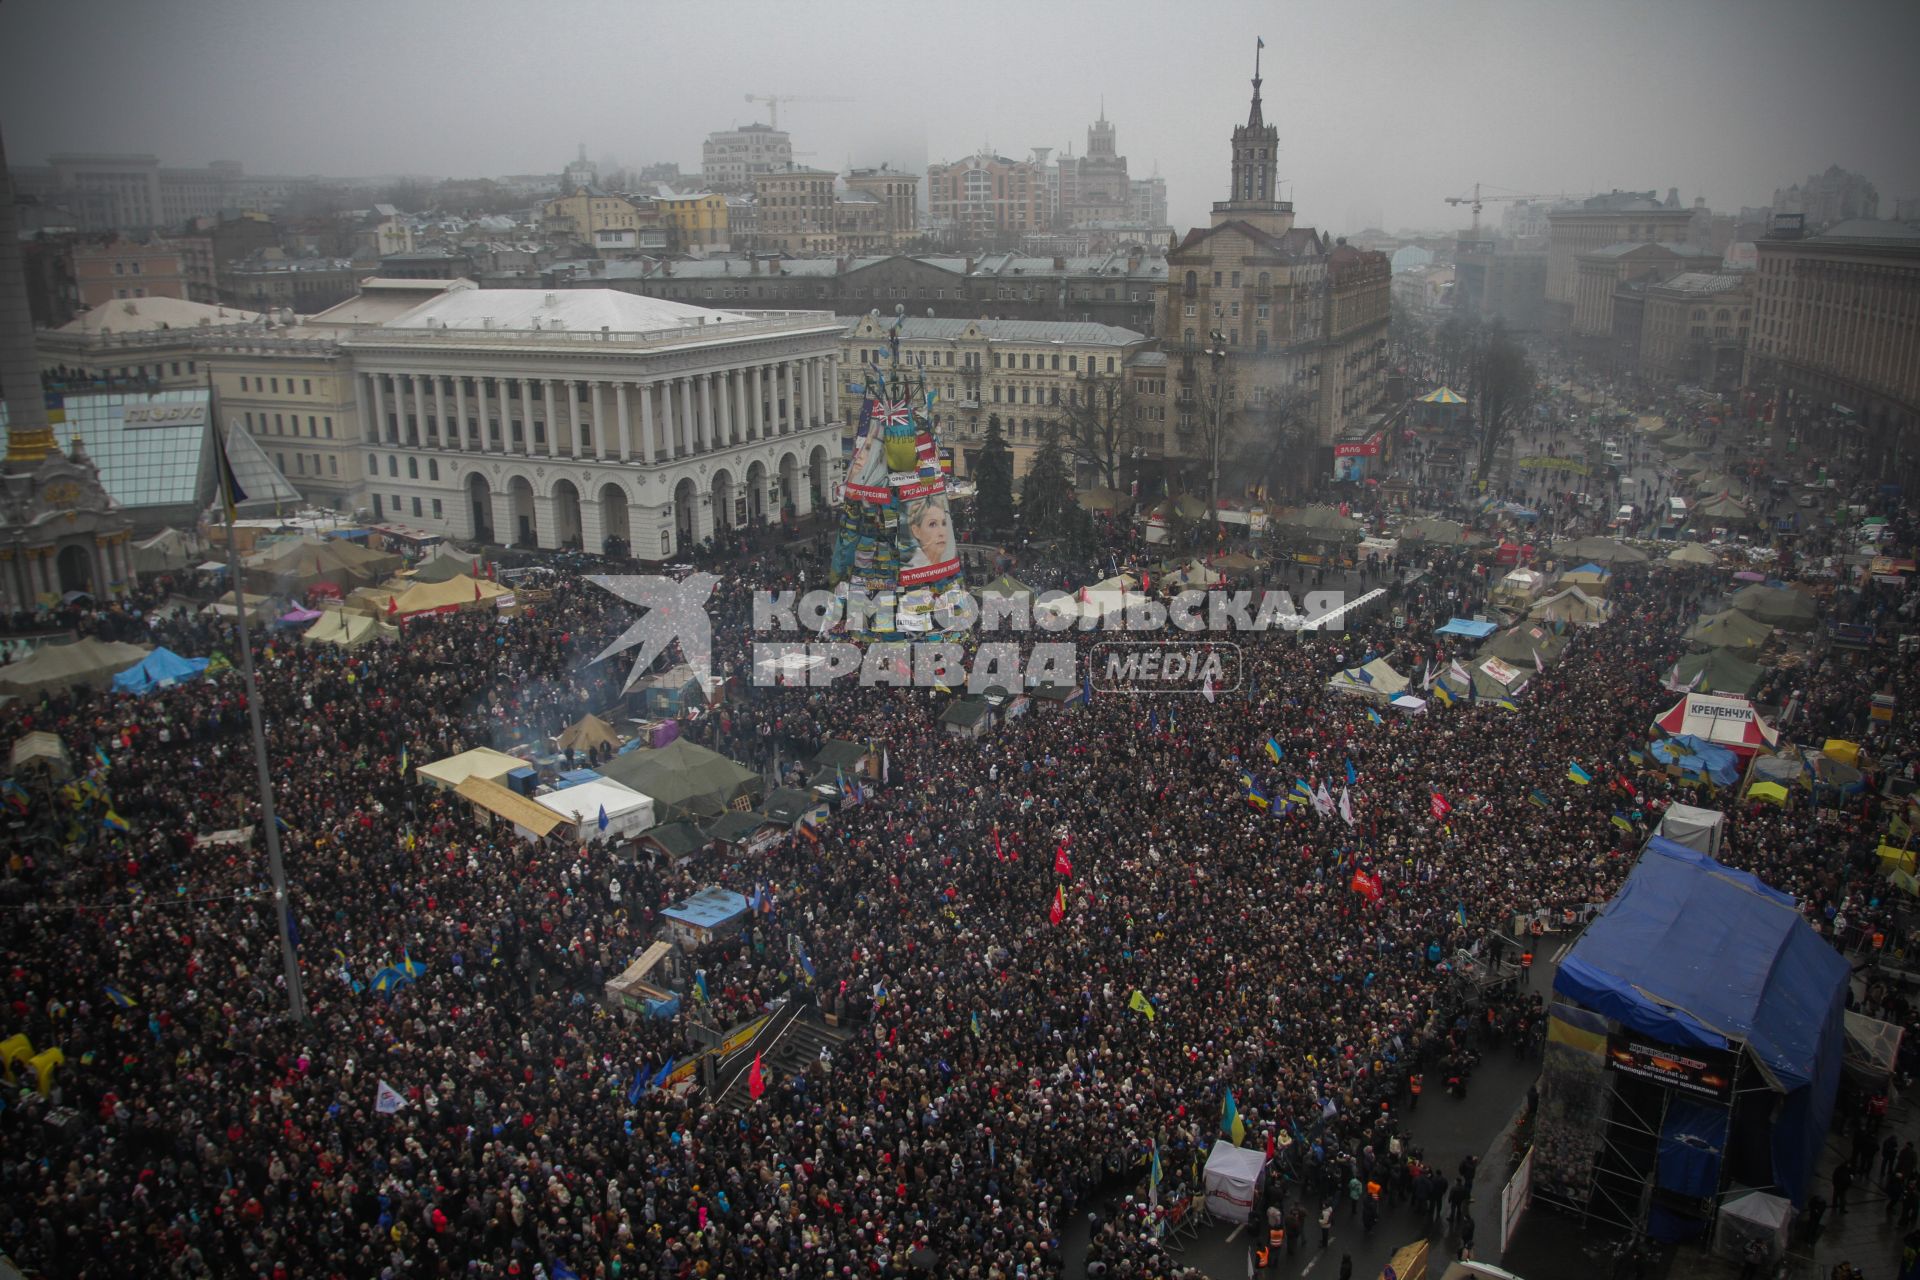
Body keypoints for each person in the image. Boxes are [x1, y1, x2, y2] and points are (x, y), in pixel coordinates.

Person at [903, 495, 954, 573]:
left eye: (944, 523)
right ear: (916, 531)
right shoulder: (908, 572)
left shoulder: (950, 565)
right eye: (932, 524)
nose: (941, 532)